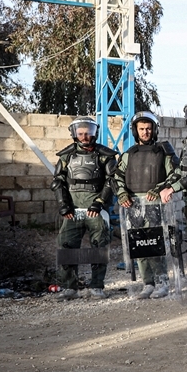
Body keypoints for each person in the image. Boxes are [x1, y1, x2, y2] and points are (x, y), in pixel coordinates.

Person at [113, 112, 180, 299]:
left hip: (155, 205)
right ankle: (147, 283)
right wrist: (121, 193)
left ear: (154, 130)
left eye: (148, 129)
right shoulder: (128, 154)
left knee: (155, 244)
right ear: (136, 131)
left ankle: (163, 282)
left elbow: (174, 175)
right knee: (139, 245)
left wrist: (159, 189)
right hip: (134, 205)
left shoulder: (163, 151)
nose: (145, 132)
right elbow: (116, 176)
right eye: (141, 129)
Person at [51, 117, 118, 300]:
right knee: (67, 247)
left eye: (88, 132)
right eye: (80, 133)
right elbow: (57, 182)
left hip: (96, 209)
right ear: (74, 134)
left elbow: (113, 181)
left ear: (94, 132)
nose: (84, 136)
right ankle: (69, 287)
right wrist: (63, 205)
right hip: (73, 210)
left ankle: (97, 286)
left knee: (99, 247)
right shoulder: (66, 156)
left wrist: (100, 202)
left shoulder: (105, 155)